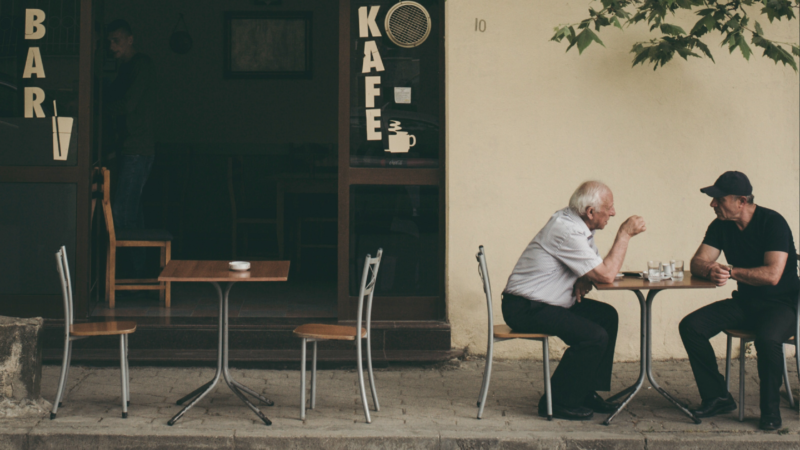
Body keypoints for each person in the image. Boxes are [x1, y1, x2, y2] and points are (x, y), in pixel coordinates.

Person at [502, 181, 647, 420]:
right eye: (609, 208)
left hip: (547, 302)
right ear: (590, 212)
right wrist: (624, 234)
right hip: (525, 307)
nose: (613, 213)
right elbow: (606, 274)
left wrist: (584, 275)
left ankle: (583, 391)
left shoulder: (578, 225)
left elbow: (595, 269)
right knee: (594, 336)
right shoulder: (567, 229)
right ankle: (557, 401)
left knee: (606, 317)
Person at [679, 171, 799, 431]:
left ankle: (770, 411)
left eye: (718, 199)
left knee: (767, 339)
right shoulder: (720, 225)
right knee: (691, 326)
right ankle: (718, 397)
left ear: (741, 201)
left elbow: (773, 274)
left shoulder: (773, 222)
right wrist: (709, 269)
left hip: (783, 305)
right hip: (745, 302)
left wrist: (731, 271)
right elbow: (697, 262)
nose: (713, 204)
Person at [106, 19, 156, 278]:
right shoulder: (125, 68)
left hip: (137, 149)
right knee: (132, 212)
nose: (111, 46)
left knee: (123, 213)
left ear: (130, 39)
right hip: (128, 149)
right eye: (109, 42)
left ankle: (129, 275)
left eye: (116, 40)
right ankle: (137, 273)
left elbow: (126, 104)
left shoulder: (140, 66)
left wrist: (89, 107)